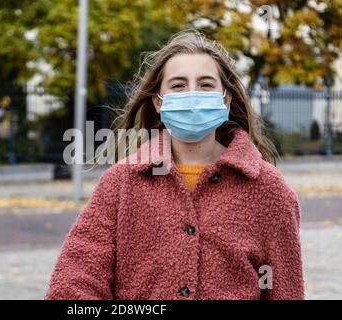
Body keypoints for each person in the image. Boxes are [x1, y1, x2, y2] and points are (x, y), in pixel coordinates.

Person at [45, 30, 304, 300]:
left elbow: (286, 291)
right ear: (158, 102)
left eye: (205, 85)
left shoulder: (269, 190)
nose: (192, 96)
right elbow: (72, 284)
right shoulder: (121, 184)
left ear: (225, 100)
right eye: (178, 85)